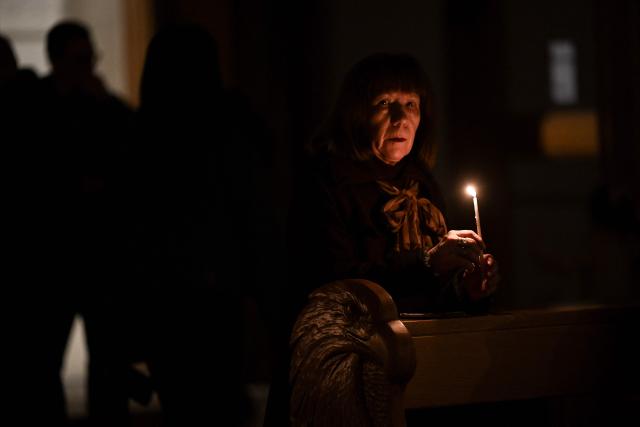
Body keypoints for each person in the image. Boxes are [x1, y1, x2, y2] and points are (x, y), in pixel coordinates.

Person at [264, 52, 500, 426]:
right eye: (385, 104)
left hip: (424, 372)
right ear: (357, 113)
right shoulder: (326, 182)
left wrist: (467, 286)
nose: (400, 118)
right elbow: (334, 286)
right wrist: (426, 261)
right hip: (346, 374)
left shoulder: (421, 183)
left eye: (410, 105)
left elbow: (432, 292)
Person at [28, 20, 138, 425]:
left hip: (98, 255)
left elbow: (135, 151)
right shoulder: (34, 107)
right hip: (52, 255)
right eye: (82, 58)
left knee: (107, 363)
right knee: (43, 365)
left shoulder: (102, 107)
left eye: (91, 58)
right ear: (58, 60)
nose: (90, 66)